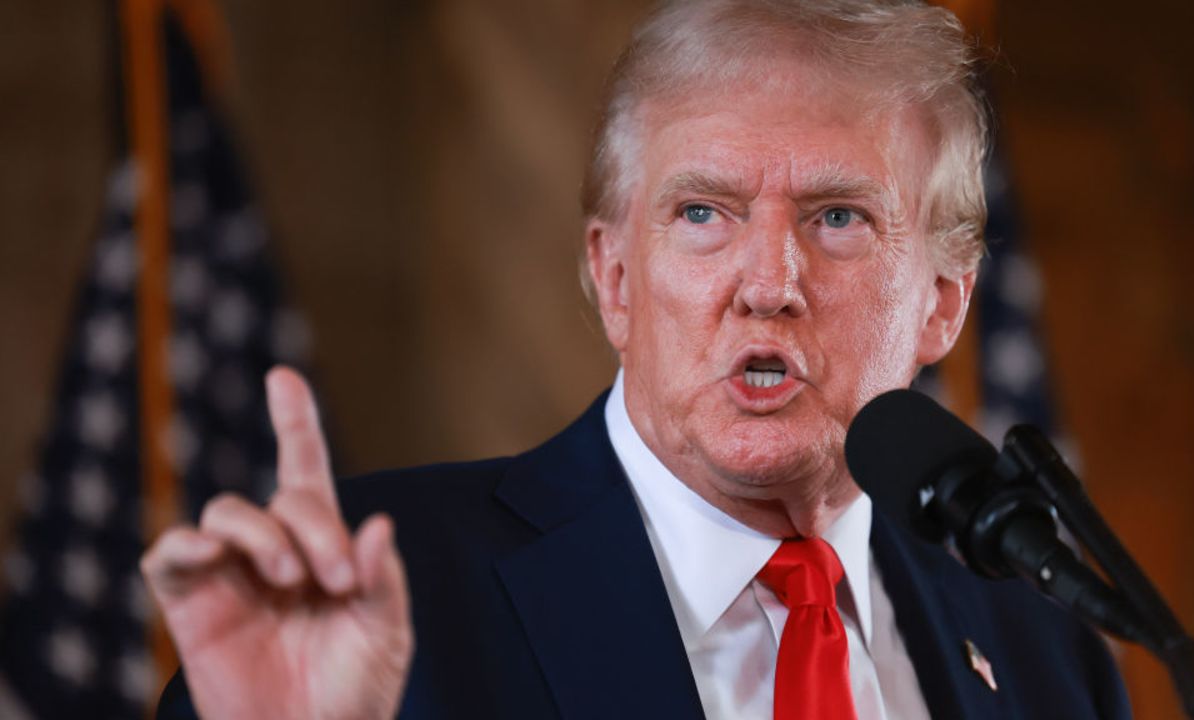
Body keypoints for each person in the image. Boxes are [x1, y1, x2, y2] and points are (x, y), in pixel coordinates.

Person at [142, 1, 1131, 718]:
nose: (767, 280)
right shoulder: (388, 590)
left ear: (942, 306)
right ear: (613, 280)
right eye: (703, 213)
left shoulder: (1040, 650)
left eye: (838, 218)